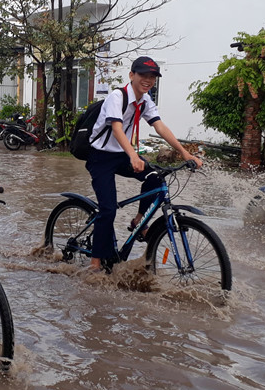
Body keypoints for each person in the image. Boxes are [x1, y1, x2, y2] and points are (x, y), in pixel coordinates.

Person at [85, 56, 202, 272]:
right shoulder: (116, 97)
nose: (148, 80)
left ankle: (138, 222)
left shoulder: (145, 101)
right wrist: (133, 156)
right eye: (143, 75)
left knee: (155, 177)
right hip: (100, 157)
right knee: (108, 210)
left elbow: (160, 127)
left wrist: (186, 154)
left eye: (152, 77)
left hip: (122, 154)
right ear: (132, 75)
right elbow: (117, 129)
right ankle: (95, 263)